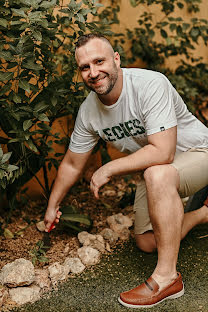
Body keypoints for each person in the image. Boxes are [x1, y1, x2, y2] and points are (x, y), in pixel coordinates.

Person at [44, 33, 208, 308]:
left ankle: (168, 279)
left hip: (199, 154)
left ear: (116, 59)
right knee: (146, 241)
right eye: (85, 67)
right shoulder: (89, 112)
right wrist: (52, 206)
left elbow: (163, 152)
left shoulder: (149, 84)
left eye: (99, 61)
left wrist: (110, 168)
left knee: (157, 173)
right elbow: (72, 163)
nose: (93, 72)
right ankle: (204, 212)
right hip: (162, 171)